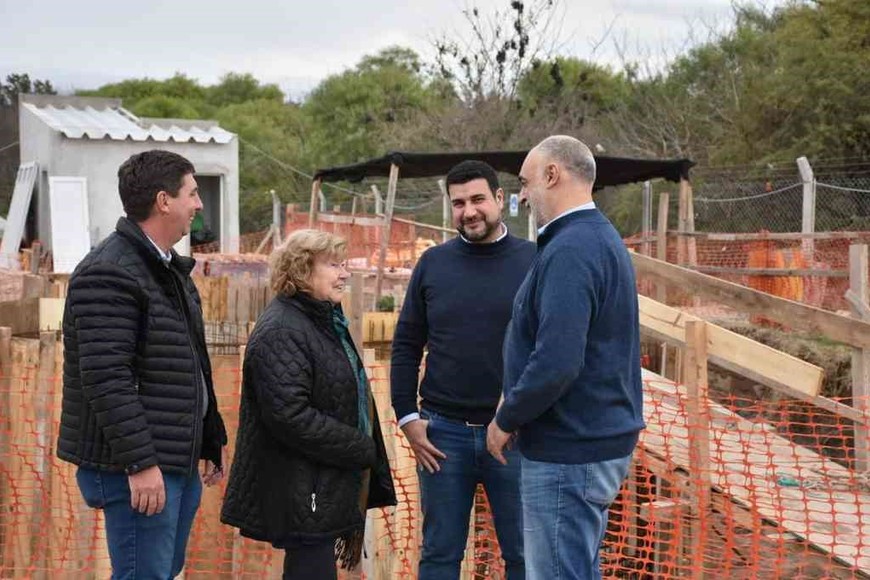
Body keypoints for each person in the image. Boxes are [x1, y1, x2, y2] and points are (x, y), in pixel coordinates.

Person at [57, 149, 228, 579]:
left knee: (163, 572)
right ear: (163, 200)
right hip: (137, 467)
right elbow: (106, 378)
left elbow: (188, 365)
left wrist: (209, 437)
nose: (199, 203)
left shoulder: (166, 269)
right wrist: (140, 464)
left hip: (173, 459)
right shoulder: (109, 272)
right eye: (192, 192)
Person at [486, 136, 645, 580]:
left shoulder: (572, 250)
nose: (520, 195)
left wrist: (507, 418)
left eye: (524, 181)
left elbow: (558, 360)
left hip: (568, 450)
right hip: (589, 442)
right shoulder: (592, 238)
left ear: (552, 175)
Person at [221, 229, 397, 580]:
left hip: (319, 485)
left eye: (344, 264)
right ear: (302, 270)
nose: (344, 273)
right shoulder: (282, 329)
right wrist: (359, 447)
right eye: (334, 265)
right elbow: (289, 415)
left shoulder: (320, 321)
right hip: (302, 489)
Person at [391, 160, 536, 579]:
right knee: (439, 554)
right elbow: (405, 345)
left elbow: (550, 348)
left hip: (514, 434)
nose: (469, 211)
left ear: (499, 200)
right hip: (442, 435)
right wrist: (408, 417)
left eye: (477, 200)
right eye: (458, 203)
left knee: (524, 556)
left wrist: (521, 414)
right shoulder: (433, 264)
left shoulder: (535, 261)